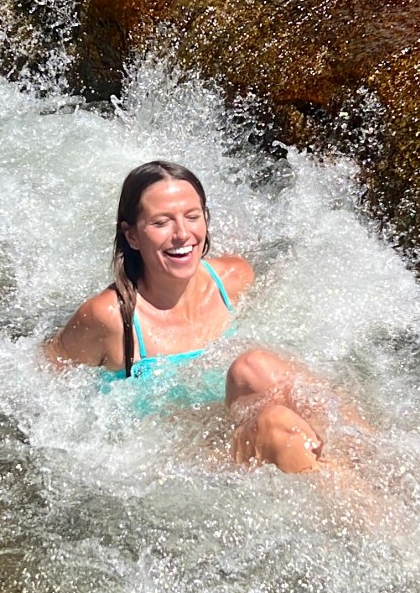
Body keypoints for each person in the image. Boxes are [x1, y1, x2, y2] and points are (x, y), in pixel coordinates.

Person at [46, 160, 332, 472]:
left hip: (234, 430)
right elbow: (42, 381)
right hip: (180, 467)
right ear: (131, 236)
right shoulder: (110, 317)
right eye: (161, 223)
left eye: (192, 217)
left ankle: (368, 460)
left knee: (255, 368)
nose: (182, 234)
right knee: (275, 427)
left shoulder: (234, 280)